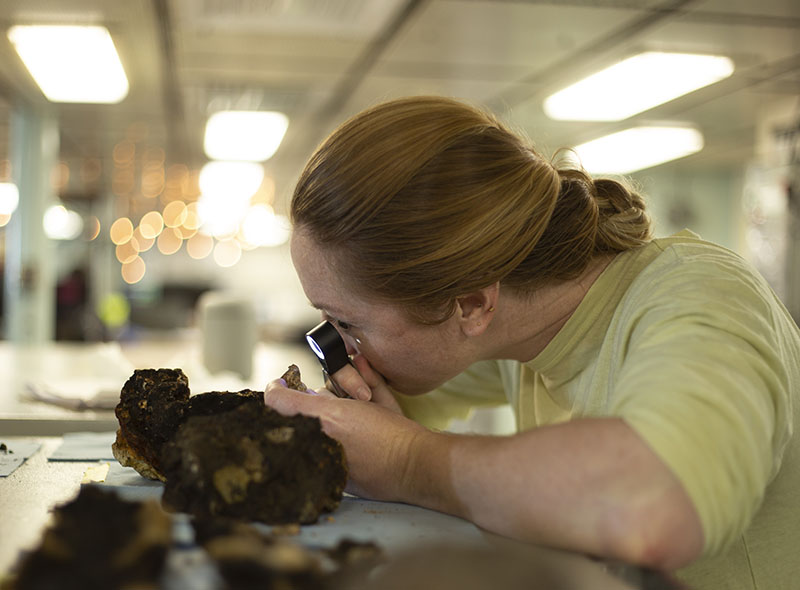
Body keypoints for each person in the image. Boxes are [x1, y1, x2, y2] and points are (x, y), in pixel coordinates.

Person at [264, 96, 800, 589]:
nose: (343, 348)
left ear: (471, 303)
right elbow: (385, 420)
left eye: (349, 325)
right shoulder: (522, 327)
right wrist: (351, 417)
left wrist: (408, 462)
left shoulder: (702, 296)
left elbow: (652, 504)